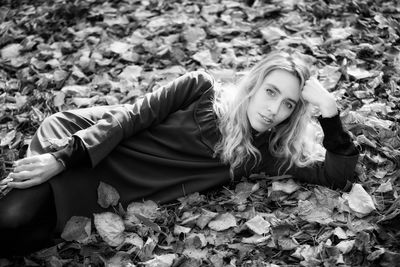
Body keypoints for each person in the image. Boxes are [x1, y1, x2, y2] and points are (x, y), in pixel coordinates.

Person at [0, 50, 359, 256]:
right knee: (12, 219)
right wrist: (61, 157)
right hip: (88, 144)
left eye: (287, 104)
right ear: (254, 84)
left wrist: (330, 114)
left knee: (25, 238)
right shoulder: (200, 88)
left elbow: (336, 175)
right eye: (270, 92)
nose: (273, 109)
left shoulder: (261, 152)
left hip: (103, 189)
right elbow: (129, 118)